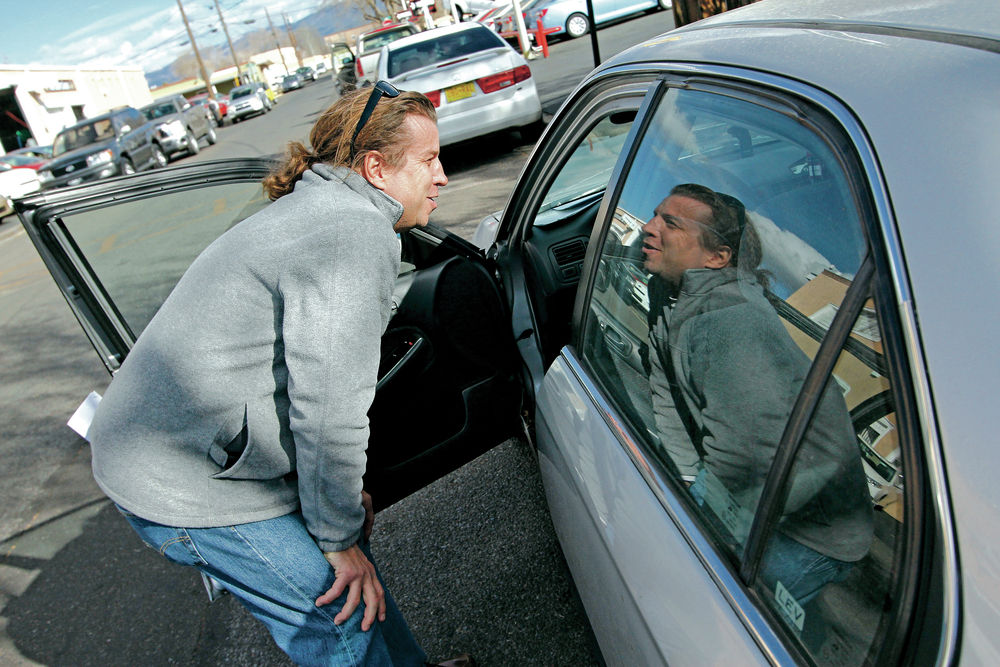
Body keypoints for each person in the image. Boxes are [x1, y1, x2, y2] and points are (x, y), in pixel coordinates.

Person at [84, 83, 473, 666]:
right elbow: (329, 410)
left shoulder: (321, 208)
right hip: (181, 478)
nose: (442, 176)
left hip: (196, 449)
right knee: (334, 613)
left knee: (350, 575)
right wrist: (336, 535)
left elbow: (298, 388)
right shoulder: (351, 235)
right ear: (375, 168)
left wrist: (336, 514)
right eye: (428, 161)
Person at [642, 183, 873, 605]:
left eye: (669, 223)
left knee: (717, 617)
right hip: (765, 500)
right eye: (655, 215)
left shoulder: (729, 324)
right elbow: (666, 389)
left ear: (716, 258)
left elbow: (747, 465)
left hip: (810, 535)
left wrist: (689, 523)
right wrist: (687, 473)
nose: (647, 228)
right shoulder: (672, 294)